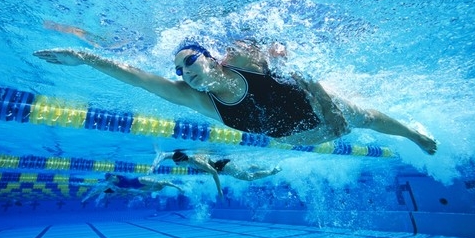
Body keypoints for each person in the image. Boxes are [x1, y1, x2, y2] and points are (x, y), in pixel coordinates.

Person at [33, 38, 437, 155]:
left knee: (363, 116)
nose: (184, 73)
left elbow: (299, 68)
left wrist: (328, 109)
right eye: (178, 70)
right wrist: (84, 59)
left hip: (319, 109)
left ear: (211, 58)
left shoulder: (243, 56)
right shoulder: (198, 100)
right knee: (352, 124)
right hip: (303, 138)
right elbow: (136, 78)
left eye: (189, 61)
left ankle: (413, 134)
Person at [150, 149, 282, 197]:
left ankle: (272, 171)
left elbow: (214, 173)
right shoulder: (183, 157)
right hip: (220, 163)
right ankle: (260, 165)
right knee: (247, 167)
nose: (177, 165)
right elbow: (165, 155)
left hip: (224, 166)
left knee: (248, 177)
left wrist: (219, 190)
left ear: (182, 160)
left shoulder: (196, 161)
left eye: (177, 163)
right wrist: (154, 165)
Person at [79, 173, 183, 206]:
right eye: (109, 179)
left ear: (113, 175)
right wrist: (86, 198)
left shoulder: (120, 175)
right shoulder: (112, 185)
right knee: (159, 188)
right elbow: (98, 191)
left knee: (161, 183)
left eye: (111, 178)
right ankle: (174, 188)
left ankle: (178, 187)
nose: (111, 180)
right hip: (138, 187)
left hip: (140, 180)